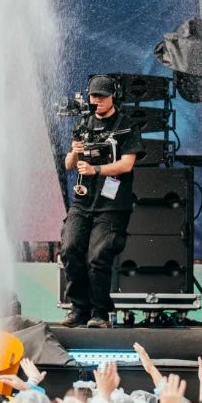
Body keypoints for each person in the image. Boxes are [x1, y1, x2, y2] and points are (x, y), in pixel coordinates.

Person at [60, 74, 144, 329]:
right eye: (93, 96)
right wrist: (74, 152)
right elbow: (69, 164)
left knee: (98, 256)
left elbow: (127, 164)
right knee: (70, 248)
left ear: (112, 97)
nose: (97, 101)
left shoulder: (126, 125)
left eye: (102, 96)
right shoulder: (83, 124)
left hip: (112, 203)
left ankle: (100, 313)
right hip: (82, 201)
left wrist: (96, 170)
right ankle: (78, 309)